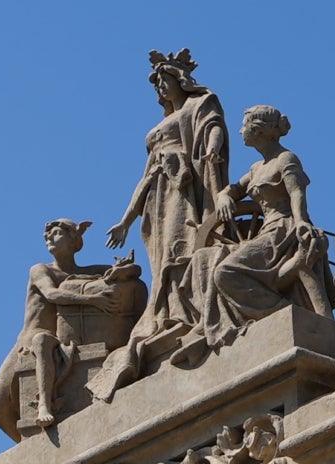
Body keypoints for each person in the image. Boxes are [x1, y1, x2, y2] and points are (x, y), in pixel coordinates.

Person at [91, 49, 227, 401]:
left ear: (180, 80)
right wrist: (125, 220)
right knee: (162, 259)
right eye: (157, 85)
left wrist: (212, 150)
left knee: (183, 248)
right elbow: (145, 177)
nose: (161, 89)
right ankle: (168, 313)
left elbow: (213, 128)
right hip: (158, 200)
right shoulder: (155, 133)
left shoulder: (199, 105)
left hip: (185, 190)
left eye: (165, 81)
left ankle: (187, 312)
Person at [0, 220, 145, 438]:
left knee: (44, 342)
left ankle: (45, 409)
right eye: (47, 236)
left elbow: (127, 272)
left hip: (58, 339)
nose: (49, 238)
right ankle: (30, 444)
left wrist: (124, 268)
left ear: (73, 239)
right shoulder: (40, 270)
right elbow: (51, 294)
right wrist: (92, 299)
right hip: (29, 338)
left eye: (56, 233)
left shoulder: (84, 272)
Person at [197, 105, 333, 348]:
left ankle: (283, 312)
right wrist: (224, 196)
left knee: (226, 272)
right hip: (266, 231)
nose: (240, 131)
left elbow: (296, 192)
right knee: (217, 268)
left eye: (244, 126)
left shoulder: (286, 159)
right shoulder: (256, 168)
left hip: (283, 229)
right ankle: (278, 313)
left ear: (258, 130)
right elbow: (233, 189)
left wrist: (301, 221)